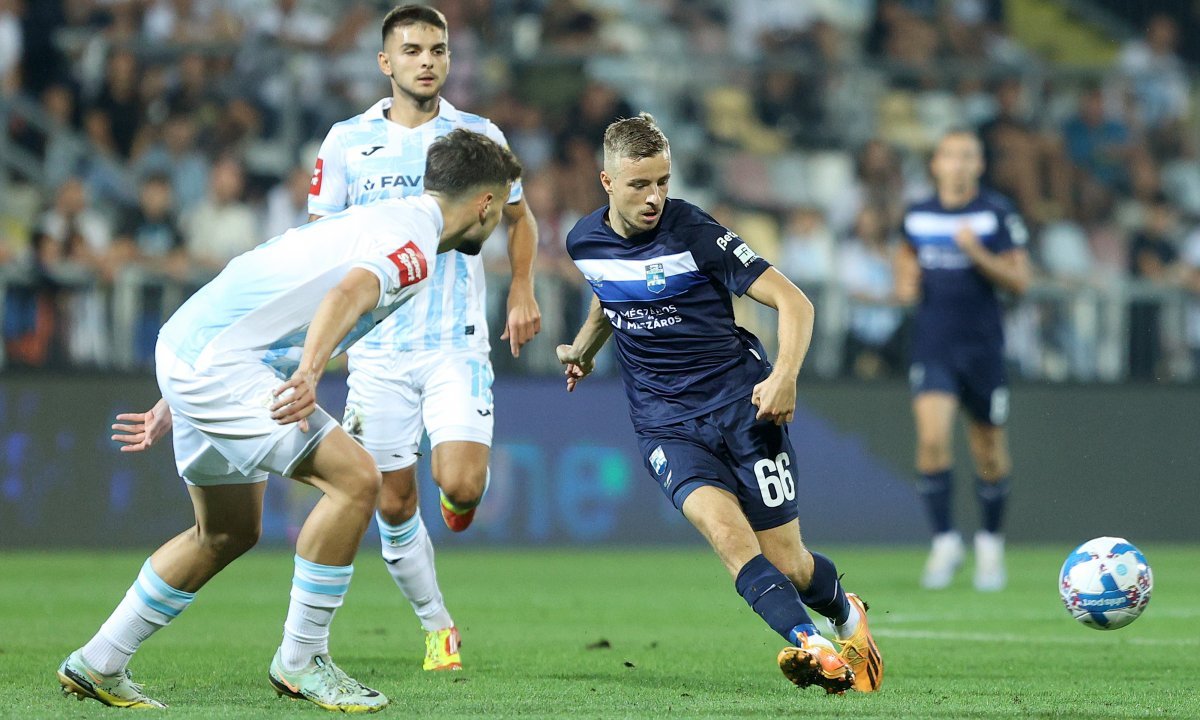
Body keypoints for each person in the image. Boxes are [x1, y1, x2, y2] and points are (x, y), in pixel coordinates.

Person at [56, 129, 521, 711]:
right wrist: (308, 371)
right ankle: (303, 660)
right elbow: (346, 296)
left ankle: (98, 661)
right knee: (356, 480)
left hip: (195, 348)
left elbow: (270, 278)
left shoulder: (379, 217)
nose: (499, 221)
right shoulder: (414, 244)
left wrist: (179, 388)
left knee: (225, 532)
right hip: (223, 366)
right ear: (484, 203)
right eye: (502, 208)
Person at [556, 114, 882, 694]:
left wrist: (785, 375)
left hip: (743, 406)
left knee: (790, 566)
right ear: (606, 182)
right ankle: (815, 648)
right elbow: (610, 293)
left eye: (663, 181)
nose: (655, 196)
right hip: (664, 422)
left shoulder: (694, 231)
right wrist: (582, 350)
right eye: (640, 185)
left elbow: (795, 302)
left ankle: (846, 613)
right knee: (729, 540)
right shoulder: (584, 241)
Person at [306, 4, 541, 672]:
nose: (427, 60)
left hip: (455, 341)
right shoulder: (347, 142)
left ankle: (459, 498)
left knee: (461, 483)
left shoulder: (477, 136)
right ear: (386, 62)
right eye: (412, 50)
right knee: (392, 497)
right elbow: (321, 242)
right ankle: (438, 626)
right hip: (378, 349)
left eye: (437, 49)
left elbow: (520, 219)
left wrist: (522, 287)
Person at [893, 129, 1030, 592]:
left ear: (979, 165)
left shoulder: (996, 213)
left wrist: (976, 253)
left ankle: (990, 545)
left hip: (984, 348)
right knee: (932, 440)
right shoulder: (917, 214)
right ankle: (945, 541)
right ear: (936, 164)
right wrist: (905, 283)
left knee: (988, 450)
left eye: (967, 156)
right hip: (934, 345)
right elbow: (905, 269)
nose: (958, 164)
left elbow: (1020, 281)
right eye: (950, 156)